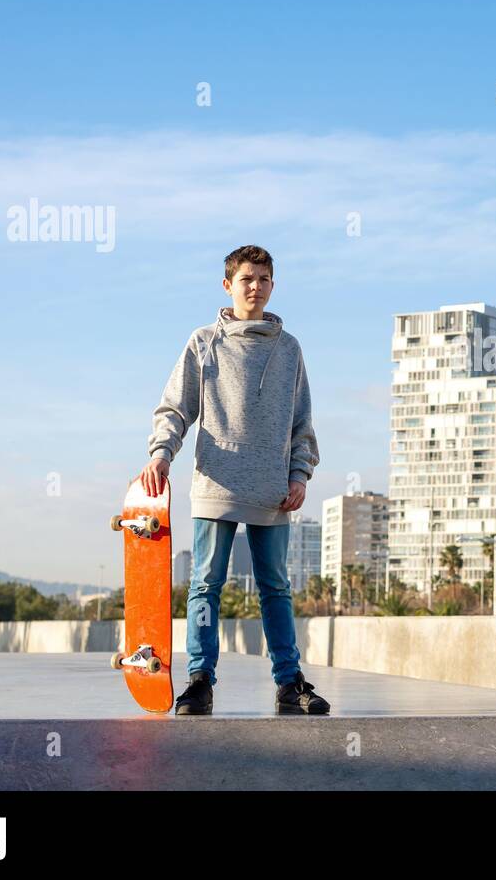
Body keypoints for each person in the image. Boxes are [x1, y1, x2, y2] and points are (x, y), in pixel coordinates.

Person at [141, 244, 329, 716]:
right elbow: (176, 406)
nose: (255, 287)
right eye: (247, 279)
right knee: (205, 583)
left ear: (272, 286)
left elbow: (301, 421)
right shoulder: (204, 341)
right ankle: (200, 680)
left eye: (264, 279)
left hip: (271, 489)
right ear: (228, 285)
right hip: (215, 484)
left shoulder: (289, 349)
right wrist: (162, 453)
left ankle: (290, 682)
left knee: (276, 588)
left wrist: (299, 474)